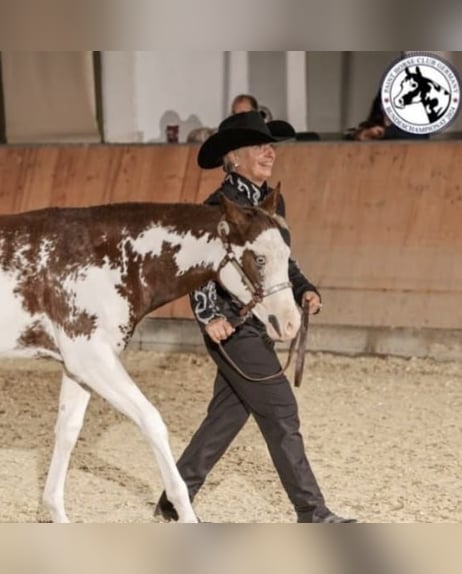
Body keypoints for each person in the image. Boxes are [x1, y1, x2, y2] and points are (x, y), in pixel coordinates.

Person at [154, 111, 356, 524]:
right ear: (233, 157)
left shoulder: (271, 202)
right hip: (232, 327)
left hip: (258, 322)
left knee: (226, 417)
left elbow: (279, 260)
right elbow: (198, 266)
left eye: (270, 146)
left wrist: (303, 287)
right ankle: (312, 512)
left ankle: (175, 498)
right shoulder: (217, 208)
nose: (269, 152)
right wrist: (210, 317)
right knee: (281, 410)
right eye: (258, 146)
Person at [345, 93, 430, 141]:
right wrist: (360, 134)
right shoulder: (383, 93)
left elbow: (420, 135)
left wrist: (384, 133)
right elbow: (373, 122)